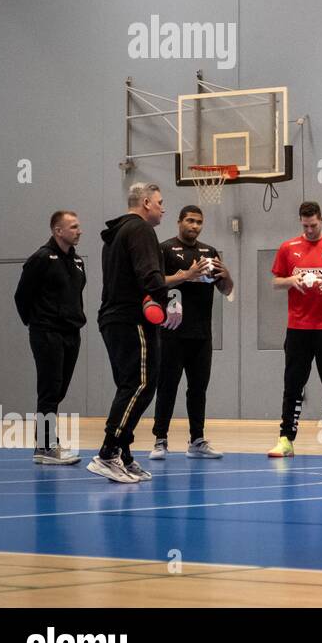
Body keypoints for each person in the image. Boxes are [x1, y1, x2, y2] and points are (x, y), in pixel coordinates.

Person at [88, 183, 180, 483]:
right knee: (140, 385)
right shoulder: (140, 230)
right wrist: (167, 302)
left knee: (130, 385)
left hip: (113, 319)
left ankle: (124, 456)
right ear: (145, 203)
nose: (163, 208)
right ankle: (108, 452)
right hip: (132, 319)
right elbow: (150, 275)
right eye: (160, 202)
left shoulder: (115, 235)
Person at [268, 201, 322, 459]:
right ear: (300, 222)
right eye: (305, 225)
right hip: (298, 327)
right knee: (293, 384)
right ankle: (285, 439)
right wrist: (291, 281)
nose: (309, 230)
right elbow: (275, 282)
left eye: (313, 225)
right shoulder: (288, 248)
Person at [149, 205, 233, 460]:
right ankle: (160, 440)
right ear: (179, 222)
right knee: (167, 387)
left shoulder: (209, 253)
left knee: (198, 388)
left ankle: (197, 440)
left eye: (198, 222)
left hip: (201, 335)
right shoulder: (164, 249)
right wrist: (187, 275)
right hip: (171, 332)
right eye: (189, 221)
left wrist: (227, 275)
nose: (194, 226)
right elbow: (156, 282)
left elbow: (227, 290)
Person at [15, 210, 86, 465]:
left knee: (59, 390)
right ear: (58, 231)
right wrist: (37, 323)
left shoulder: (77, 261)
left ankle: (47, 442)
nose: (79, 231)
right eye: (74, 227)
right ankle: (44, 447)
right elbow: (21, 296)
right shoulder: (42, 258)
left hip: (71, 333)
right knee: (49, 389)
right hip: (46, 333)